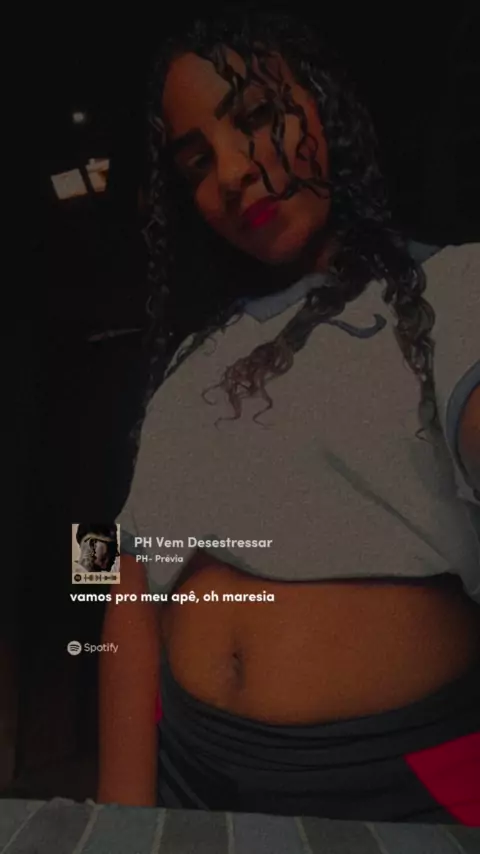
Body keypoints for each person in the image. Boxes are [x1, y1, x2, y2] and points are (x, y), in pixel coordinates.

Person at [98, 9, 480, 823]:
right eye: (197, 161)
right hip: (190, 776)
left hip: (391, 787)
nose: (233, 173)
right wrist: (122, 821)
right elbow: (127, 577)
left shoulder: (453, 290)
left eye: (258, 116)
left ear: (325, 106)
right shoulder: (191, 361)